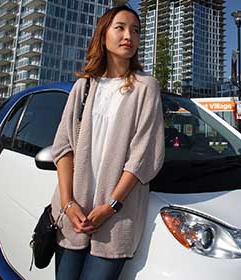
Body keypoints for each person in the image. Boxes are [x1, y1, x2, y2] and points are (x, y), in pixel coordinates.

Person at [49, 5, 165, 280]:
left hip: (116, 217)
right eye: (121, 27)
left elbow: (144, 156)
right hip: (72, 214)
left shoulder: (146, 87)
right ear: (103, 35)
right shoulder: (84, 86)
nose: (129, 36)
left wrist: (110, 206)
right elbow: (63, 146)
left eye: (135, 31)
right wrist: (68, 203)